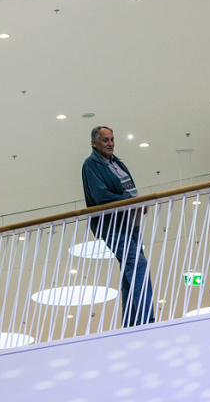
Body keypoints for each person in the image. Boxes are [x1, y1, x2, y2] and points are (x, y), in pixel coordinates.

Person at [81, 126, 155, 327]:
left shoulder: (117, 162)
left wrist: (138, 203)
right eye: (105, 140)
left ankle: (130, 323)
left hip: (131, 224)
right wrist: (131, 201)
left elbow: (129, 188)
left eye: (112, 139)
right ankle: (145, 320)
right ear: (94, 142)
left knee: (128, 270)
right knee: (138, 264)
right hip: (113, 226)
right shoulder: (91, 164)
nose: (110, 143)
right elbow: (101, 196)